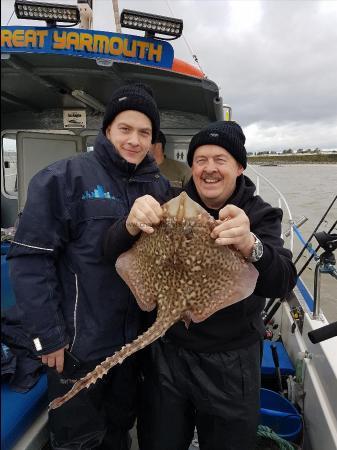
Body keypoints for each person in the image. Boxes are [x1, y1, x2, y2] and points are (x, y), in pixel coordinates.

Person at [104, 120, 297, 450]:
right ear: (191, 166)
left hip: (231, 361)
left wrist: (253, 246)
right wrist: (129, 223)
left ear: (239, 166)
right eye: (201, 160)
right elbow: (111, 252)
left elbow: (282, 281)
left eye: (220, 160)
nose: (209, 169)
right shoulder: (169, 205)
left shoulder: (260, 214)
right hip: (167, 352)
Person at [7, 83, 172, 450]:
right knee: (77, 438)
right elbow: (29, 261)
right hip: (78, 347)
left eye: (144, 132)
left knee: (119, 430)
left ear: (152, 139)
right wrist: (47, 338)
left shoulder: (160, 188)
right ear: (108, 129)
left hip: (131, 347)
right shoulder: (62, 179)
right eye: (125, 129)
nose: (134, 140)